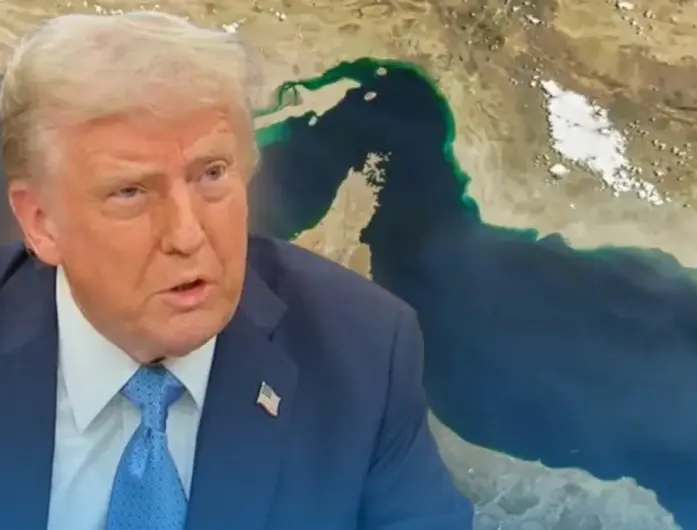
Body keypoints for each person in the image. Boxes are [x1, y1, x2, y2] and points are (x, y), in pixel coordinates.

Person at [0, 11, 473, 530]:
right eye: (130, 192)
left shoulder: (363, 353)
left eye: (212, 173)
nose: (187, 235)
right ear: (41, 222)